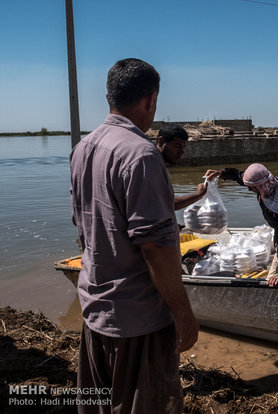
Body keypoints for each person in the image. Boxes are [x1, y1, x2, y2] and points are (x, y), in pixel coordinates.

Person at [70, 58, 199, 413]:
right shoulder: (142, 155)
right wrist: (183, 313)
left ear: (108, 96)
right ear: (150, 100)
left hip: (94, 309)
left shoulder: (83, 149)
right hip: (137, 321)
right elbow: (155, 248)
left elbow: (84, 228)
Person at [205, 164, 278, 287]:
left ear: (260, 185)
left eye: (252, 187)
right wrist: (221, 173)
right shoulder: (267, 184)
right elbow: (239, 176)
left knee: (275, 281)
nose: (249, 190)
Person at [156, 123, 207, 210]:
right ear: (161, 141)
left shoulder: (159, 163)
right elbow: (168, 203)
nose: (181, 152)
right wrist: (199, 194)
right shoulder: (151, 165)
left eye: (183, 147)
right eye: (177, 146)